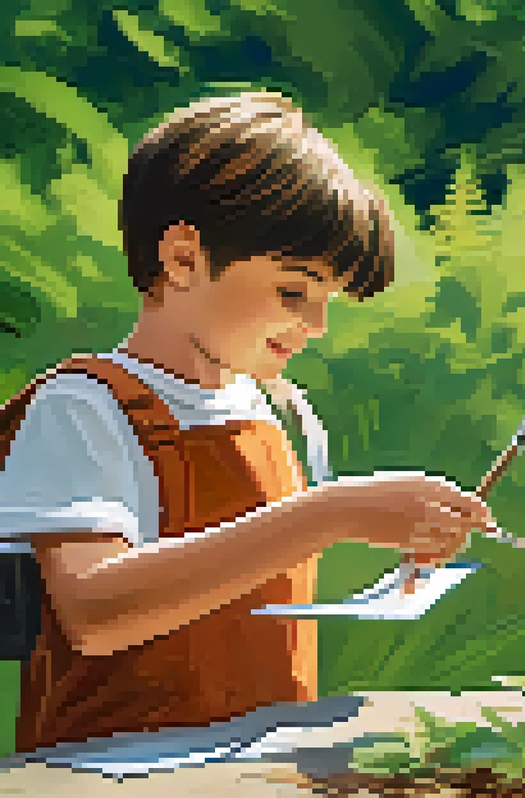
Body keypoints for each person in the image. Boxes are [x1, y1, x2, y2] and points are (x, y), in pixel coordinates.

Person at [0, 92, 493, 752]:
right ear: (182, 258)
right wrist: (332, 514)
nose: (315, 326)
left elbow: (261, 587)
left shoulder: (277, 413)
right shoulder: (84, 408)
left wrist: (396, 538)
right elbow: (92, 611)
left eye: (327, 301)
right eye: (294, 291)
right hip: (112, 774)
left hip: (261, 766)